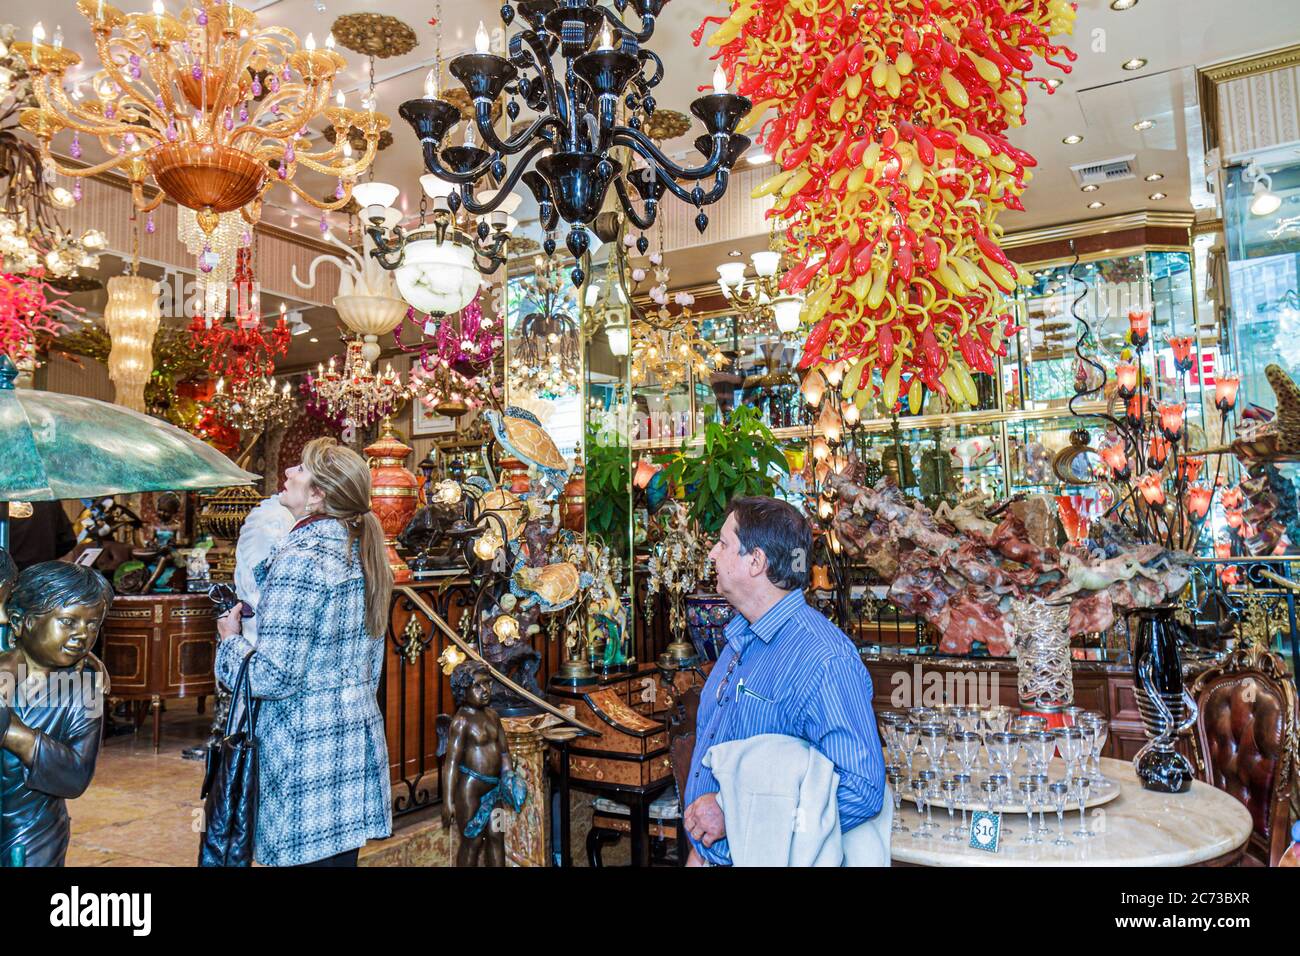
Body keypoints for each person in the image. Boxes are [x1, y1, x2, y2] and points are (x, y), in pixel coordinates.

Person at [215, 437, 394, 867]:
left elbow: (273, 678)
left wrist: (230, 640)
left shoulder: (303, 558)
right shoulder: (359, 552)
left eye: (300, 468)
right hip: (350, 748)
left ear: (319, 494)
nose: (289, 472)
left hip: (305, 760)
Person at [682, 496, 885, 866]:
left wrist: (740, 816)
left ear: (755, 561)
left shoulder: (823, 659)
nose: (712, 553)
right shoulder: (742, 637)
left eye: (724, 544)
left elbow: (862, 788)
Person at [0, 560, 113, 866]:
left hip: (33, 835)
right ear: (21, 622)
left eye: (93, 625)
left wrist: (14, 734)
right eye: (68, 622)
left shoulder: (84, 691)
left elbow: (75, 777)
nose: (82, 635)